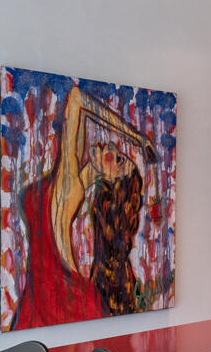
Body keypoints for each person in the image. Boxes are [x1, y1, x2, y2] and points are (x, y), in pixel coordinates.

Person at [11, 87, 157, 330]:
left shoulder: (69, 187)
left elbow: (77, 98)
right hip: (49, 302)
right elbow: (80, 111)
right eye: (120, 153)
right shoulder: (73, 182)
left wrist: (136, 138)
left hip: (60, 302)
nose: (112, 147)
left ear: (109, 181)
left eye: (119, 160)